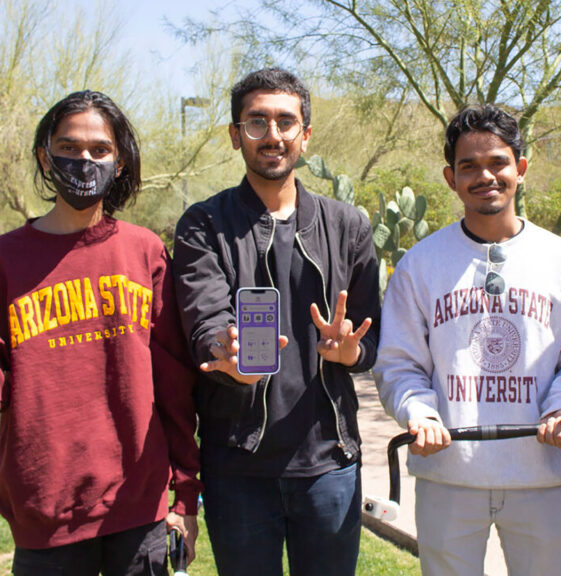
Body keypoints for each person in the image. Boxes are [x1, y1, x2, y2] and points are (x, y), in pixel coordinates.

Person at [0, 90, 202, 575]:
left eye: (100, 149)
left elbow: (174, 387)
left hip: (139, 509)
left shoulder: (145, 252)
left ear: (119, 163)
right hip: (45, 513)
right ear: (44, 155)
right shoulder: (2, 261)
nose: (84, 160)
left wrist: (186, 496)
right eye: (69, 148)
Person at [373, 104, 561, 576]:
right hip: (448, 474)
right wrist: (419, 414)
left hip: (539, 474)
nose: (484, 175)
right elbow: (399, 364)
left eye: (497, 163)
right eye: (469, 166)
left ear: (520, 169)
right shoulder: (419, 266)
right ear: (451, 178)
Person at [172, 67, 380, 576]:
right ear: (234, 134)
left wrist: (349, 351)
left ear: (305, 136)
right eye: (256, 121)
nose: (272, 135)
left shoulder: (348, 225)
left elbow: (372, 340)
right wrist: (229, 355)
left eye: (286, 122)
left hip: (329, 463)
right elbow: (205, 319)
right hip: (238, 464)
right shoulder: (204, 224)